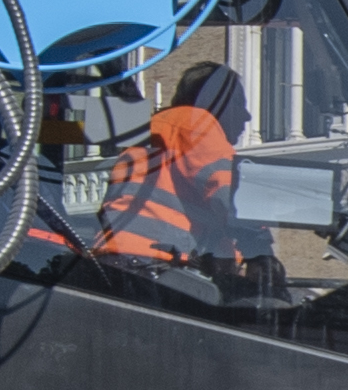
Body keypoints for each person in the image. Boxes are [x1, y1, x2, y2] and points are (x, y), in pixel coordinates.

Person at [96, 60, 248, 269]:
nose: (246, 116)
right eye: (239, 103)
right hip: (151, 261)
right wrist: (261, 248)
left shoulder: (163, 130)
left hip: (125, 258)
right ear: (215, 101)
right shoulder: (195, 123)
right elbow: (230, 195)